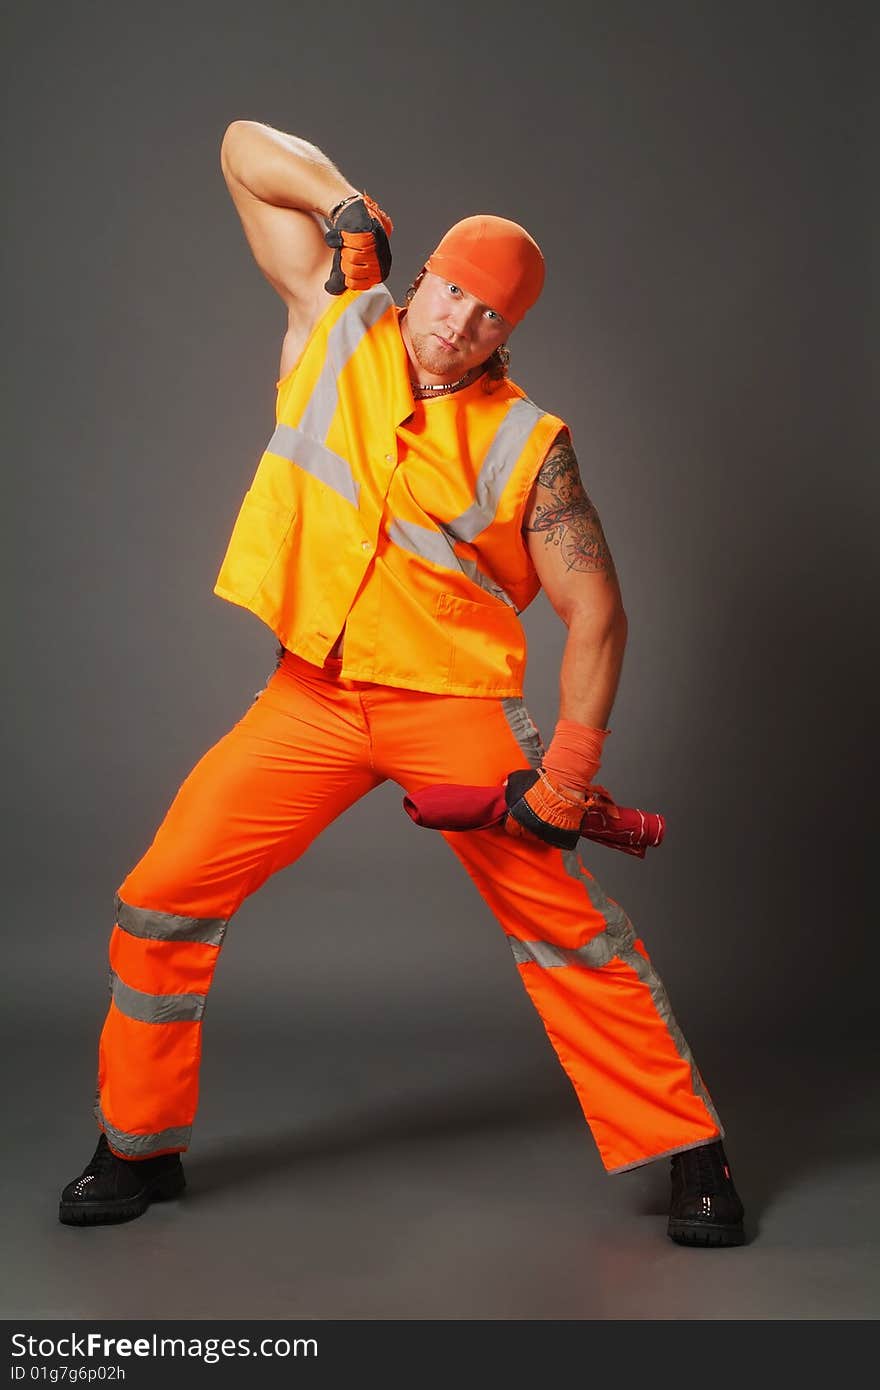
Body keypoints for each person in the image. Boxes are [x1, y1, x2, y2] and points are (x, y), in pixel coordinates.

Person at [59, 120, 745, 1247]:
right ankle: (138, 1142)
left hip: (452, 712)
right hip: (311, 701)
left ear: (504, 333)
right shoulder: (331, 327)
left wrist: (568, 772)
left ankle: (691, 1149)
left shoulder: (530, 445)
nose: (457, 323)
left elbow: (599, 614)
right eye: (449, 293)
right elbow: (240, 146)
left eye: (488, 314)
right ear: (420, 277)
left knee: (568, 932)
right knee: (160, 896)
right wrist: (344, 207)